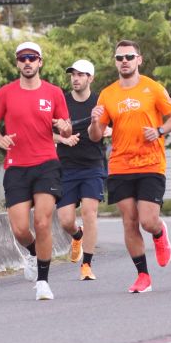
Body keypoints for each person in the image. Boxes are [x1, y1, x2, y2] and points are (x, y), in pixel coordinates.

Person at [89, 40, 171, 293]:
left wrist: (159, 130)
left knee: (148, 220)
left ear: (139, 60)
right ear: (115, 62)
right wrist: (95, 122)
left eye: (129, 57)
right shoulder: (107, 94)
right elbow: (96, 136)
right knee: (129, 221)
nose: (124, 61)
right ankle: (143, 275)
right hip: (120, 165)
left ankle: (160, 232)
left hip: (151, 162)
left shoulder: (152, 88)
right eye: (120, 58)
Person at [0, 41, 72, 301]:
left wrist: (63, 127)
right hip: (16, 167)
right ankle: (34, 253)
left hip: (46, 163)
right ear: (17, 63)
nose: (27, 62)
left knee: (42, 222)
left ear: (40, 62)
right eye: (23, 58)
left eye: (32, 58)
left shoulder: (54, 93)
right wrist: (0, 139)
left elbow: (66, 127)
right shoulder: (6, 93)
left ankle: (43, 282)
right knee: (20, 229)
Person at [54, 59, 109, 281]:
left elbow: (113, 123)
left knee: (89, 214)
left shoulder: (99, 102)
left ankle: (86, 265)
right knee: (66, 220)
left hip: (92, 166)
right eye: (73, 74)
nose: (75, 78)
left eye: (81, 74)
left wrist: (107, 129)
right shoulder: (62, 102)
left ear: (90, 78)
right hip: (66, 167)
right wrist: (63, 140)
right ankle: (77, 236)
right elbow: (45, 132)